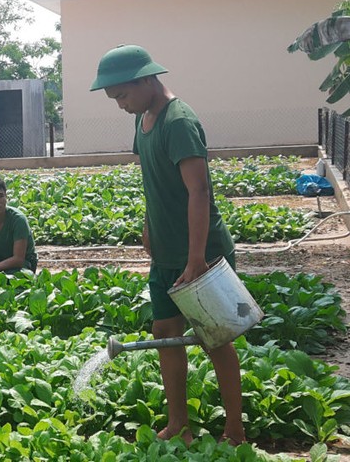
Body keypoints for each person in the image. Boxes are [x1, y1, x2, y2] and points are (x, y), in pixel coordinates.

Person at [90, 44, 245, 446]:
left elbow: (199, 192)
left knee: (216, 338)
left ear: (146, 79)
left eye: (123, 95)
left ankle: (235, 428)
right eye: (115, 99)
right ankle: (179, 424)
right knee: (164, 331)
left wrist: (197, 259)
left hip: (202, 252)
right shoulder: (143, 118)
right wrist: (148, 226)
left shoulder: (179, 121)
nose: (121, 105)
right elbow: (155, 184)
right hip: (165, 250)